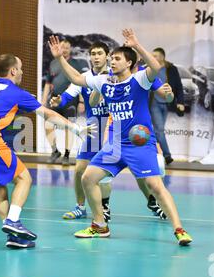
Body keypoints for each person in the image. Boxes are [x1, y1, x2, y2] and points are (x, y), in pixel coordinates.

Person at [48, 30, 193, 246]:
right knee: (87, 177)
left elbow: (156, 67)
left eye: (116, 58)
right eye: (111, 58)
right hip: (114, 145)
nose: (111, 61)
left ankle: (179, 229)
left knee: (155, 185)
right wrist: (60, 58)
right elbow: (77, 78)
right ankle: (100, 225)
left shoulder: (140, 80)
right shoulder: (104, 82)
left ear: (129, 62)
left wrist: (137, 44)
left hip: (140, 144)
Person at [0, 54, 95, 249]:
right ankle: (13, 221)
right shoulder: (16, 92)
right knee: (24, 178)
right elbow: (47, 114)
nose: (22, 72)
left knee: (0, 190)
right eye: (20, 68)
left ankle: (14, 237)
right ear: (13, 71)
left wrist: (20, 104)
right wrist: (76, 128)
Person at [53, 42, 169, 222]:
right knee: (81, 170)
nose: (95, 57)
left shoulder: (124, 75)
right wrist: (59, 102)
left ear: (107, 57)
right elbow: (73, 96)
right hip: (94, 129)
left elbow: (157, 87)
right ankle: (83, 206)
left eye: (100, 53)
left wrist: (167, 94)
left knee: (139, 174)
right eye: (92, 53)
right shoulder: (92, 79)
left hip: (117, 130)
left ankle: (151, 202)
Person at [42, 39, 88, 165]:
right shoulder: (53, 63)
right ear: (59, 48)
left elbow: (81, 83)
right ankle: (55, 151)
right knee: (48, 125)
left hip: (70, 102)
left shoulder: (76, 64)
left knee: (69, 127)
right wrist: (43, 100)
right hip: (54, 101)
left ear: (70, 49)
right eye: (63, 47)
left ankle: (67, 155)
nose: (65, 50)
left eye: (67, 48)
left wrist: (81, 102)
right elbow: (48, 83)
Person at [150, 47, 185, 165]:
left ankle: (153, 154)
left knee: (158, 131)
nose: (153, 58)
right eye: (152, 56)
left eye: (155, 56)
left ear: (162, 57)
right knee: (159, 130)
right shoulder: (150, 69)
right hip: (154, 102)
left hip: (167, 103)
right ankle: (167, 155)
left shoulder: (171, 69)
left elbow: (179, 86)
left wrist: (180, 102)